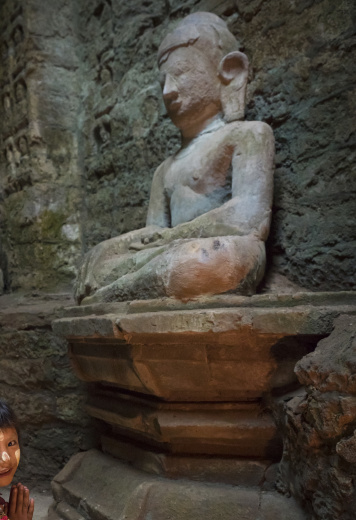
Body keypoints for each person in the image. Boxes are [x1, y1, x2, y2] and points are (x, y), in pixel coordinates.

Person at [74, 12, 275, 304]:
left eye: (181, 73)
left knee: (208, 260)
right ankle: (133, 285)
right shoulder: (165, 170)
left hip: (218, 249)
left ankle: (116, 292)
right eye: (163, 81)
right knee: (95, 260)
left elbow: (250, 216)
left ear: (228, 71)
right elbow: (154, 231)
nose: (168, 90)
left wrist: (175, 236)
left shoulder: (249, 134)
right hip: (169, 251)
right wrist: (120, 246)